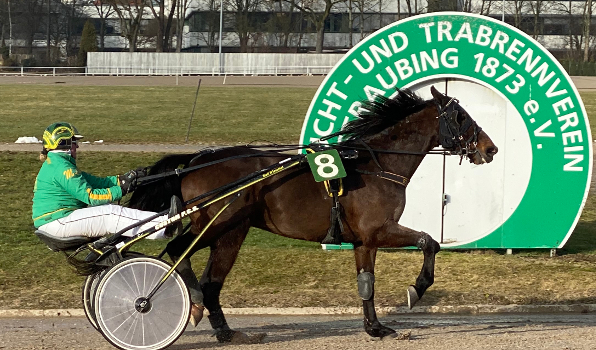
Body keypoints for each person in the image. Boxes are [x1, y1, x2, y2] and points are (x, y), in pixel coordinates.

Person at [32, 122, 183, 241]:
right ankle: (164, 226)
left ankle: (161, 224)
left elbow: (97, 182)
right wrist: (121, 190)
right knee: (111, 213)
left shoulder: (58, 164)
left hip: (56, 220)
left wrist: (124, 179)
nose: (76, 146)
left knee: (109, 209)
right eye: (73, 142)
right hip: (57, 222)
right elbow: (91, 197)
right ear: (63, 143)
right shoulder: (62, 168)